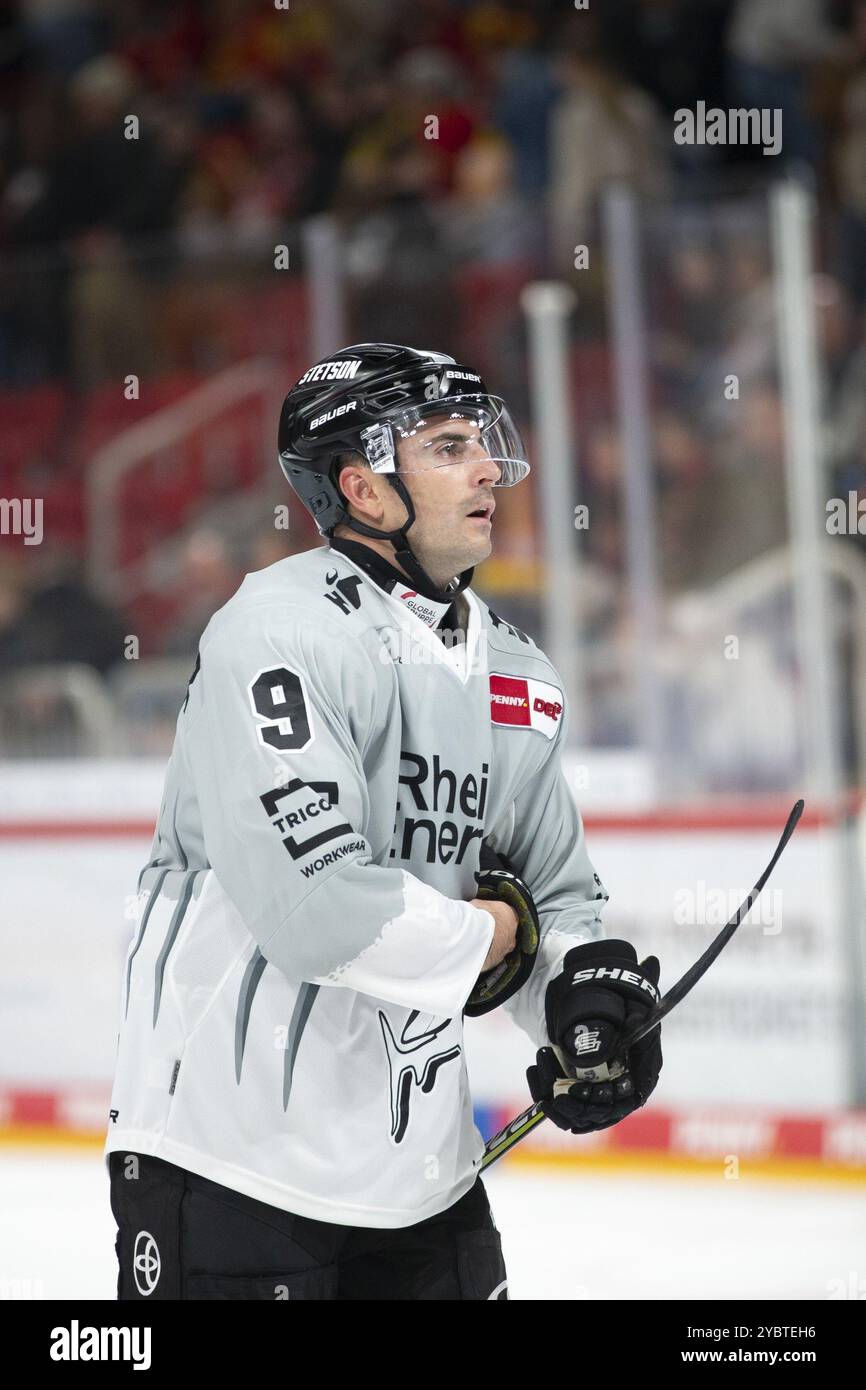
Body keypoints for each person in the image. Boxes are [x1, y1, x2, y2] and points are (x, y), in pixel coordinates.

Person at [105, 342, 663, 1301]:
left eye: (484, 441)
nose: (490, 467)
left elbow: (558, 894)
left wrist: (583, 1000)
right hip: (235, 1166)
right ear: (363, 488)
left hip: (425, 1181)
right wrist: (506, 934)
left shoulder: (518, 674)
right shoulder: (277, 630)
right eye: (449, 446)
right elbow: (319, 910)